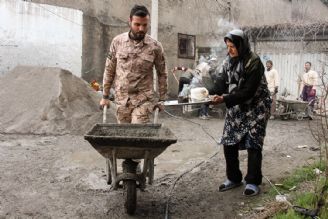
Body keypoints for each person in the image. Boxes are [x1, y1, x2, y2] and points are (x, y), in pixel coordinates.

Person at [211, 29, 271, 196]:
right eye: (228, 46)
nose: (229, 50)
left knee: (254, 144)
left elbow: (248, 92)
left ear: (241, 45)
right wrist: (207, 93)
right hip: (237, 106)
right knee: (229, 142)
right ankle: (234, 178)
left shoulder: (254, 62)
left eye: (233, 46)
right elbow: (220, 84)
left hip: (257, 107)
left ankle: (252, 181)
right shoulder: (228, 62)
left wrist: (223, 99)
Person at [99, 5, 167, 124]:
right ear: (130, 21)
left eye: (144, 25)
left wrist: (162, 99)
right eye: (137, 24)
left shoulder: (155, 47)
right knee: (124, 134)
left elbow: (162, 73)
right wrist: (105, 97)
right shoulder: (117, 42)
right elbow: (110, 69)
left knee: (138, 129)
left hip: (143, 98)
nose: (141, 28)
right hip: (122, 99)